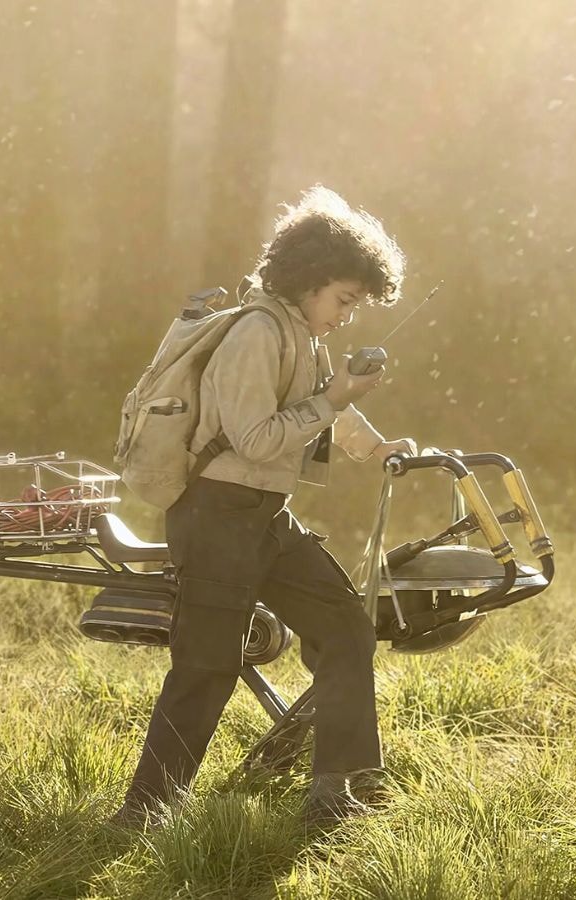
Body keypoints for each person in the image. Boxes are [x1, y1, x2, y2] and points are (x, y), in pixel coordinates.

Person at [112, 186, 417, 829]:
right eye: (344, 300)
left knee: (346, 631)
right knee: (207, 666)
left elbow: (326, 399)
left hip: (265, 517)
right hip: (216, 514)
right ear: (309, 279)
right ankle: (144, 813)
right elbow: (256, 438)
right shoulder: (255, 333)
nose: (345, 317)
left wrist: (375, 445)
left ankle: (341, 792)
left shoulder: (300, 333)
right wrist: (332, 403)